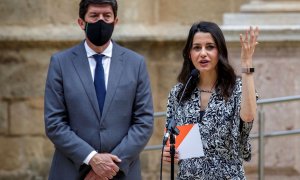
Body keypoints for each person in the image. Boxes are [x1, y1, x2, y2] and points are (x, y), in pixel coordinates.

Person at [44, 0, 154, 179]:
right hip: (72, 171)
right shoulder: (60, 63)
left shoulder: (136, 63)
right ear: (81, 22)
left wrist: (109, 166)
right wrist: (92, 159)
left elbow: (144, 121)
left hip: (121, 172)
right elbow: (54, 123)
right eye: (94, 16)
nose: (101, 21)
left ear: (115, 21)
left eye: (107, 16)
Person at [162, 21, 259, 179]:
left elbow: (248, 118)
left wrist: (247, 64)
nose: (203, 53)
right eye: (197, 47)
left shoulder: (237, 89)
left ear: (219, 51)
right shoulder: (179, 92)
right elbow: (171, 137)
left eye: (210, 47)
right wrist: (168, 152)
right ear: (189, 53)